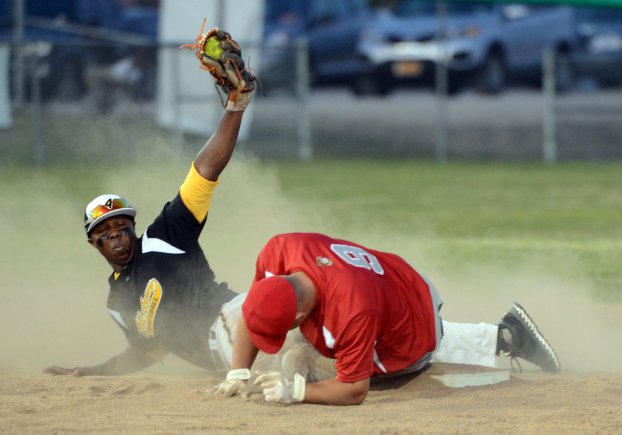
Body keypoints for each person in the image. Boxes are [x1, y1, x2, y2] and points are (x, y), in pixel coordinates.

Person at [42, 29, 287, 377]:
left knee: (307, 349)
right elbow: (149, 351)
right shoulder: (118, 304)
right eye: (104, 232)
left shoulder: (166, 236)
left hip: (238, 317)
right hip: (228, 357)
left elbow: (204, 172)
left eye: (120, 226)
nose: (115, 235)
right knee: (297, 366)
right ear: (93, 243)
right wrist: (89, 371)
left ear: (132, 227)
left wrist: (236, 106)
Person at [216, 232, 561, 406]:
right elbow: (255, 310)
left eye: (288, 324)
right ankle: (505, 335)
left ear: (300, 314)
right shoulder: (280, 250)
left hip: (413, 323)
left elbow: (354, 390)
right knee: (307, 345)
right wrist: (238, 369)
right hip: (399, 283)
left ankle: (505, 339)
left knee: (303, 363)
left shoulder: (352, 310)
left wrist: (297, 391)